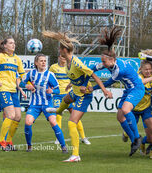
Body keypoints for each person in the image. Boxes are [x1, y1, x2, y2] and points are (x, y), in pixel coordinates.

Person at [43, 30, 112, 162]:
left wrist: (104, 91)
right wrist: (71, 84)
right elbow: (79, 76)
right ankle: (58, 110)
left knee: (71, 123)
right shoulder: (68, 63)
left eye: (60, 48)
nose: (58, 50)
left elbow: (92, 74)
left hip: (83, 96)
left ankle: (75, 155)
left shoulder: (76, 62)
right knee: (65, 99)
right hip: (75, 91)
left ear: (64, 50)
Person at [92, 27, 145, 156]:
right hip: (128, 90)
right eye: (102, 61)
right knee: (120, 117)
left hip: (137, 89)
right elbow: (93, 68)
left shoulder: (118, 70)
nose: (102, 63)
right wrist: (83, 72)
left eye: (104, 61)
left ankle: (137, 138)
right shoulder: (109, 62)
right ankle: (134, 142)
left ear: (111, 60)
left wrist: (91, 88)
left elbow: (108, 83)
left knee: (126, 110)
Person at [20, 54, 67, 153]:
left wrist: (52, 91)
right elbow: (20, 83)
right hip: (34, 104)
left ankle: (63, 147)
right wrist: (27, 85)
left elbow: (58, 90)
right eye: (41, 61)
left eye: (45, 61)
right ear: (36, 63)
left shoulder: (50, 75)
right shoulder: (31, 73)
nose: (43, 63)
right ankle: (29, 146)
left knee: (53, 122)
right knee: (28, 122)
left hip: (47, 104)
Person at [0, 36, 29, 151]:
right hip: (3, 90)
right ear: (5, 45)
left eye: (14, 43)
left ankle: (8, 142)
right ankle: (1, 142)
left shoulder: (17, 59)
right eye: (11, 43)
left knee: (17, 117)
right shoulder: (0, 57)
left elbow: (22, 75)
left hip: (13, 90)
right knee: (10, 115)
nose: (13, 45)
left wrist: (29, 83)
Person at [49, 55, 91, 145]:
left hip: (69, 94)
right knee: (58, 115)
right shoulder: (53, 67)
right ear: (59, 57)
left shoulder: (70, 67)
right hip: (57, 95)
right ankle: (58, 137)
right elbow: (49, 78)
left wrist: (72, 84)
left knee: (75, 115)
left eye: (64, 56)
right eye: (61, 56)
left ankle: (83, 137)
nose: (63, 58)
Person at [0, 71, 26, 145]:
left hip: (8, 94)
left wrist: (20, 89)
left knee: (7, 115)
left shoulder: (12, 68)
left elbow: (17, 79)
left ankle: (4, 140)